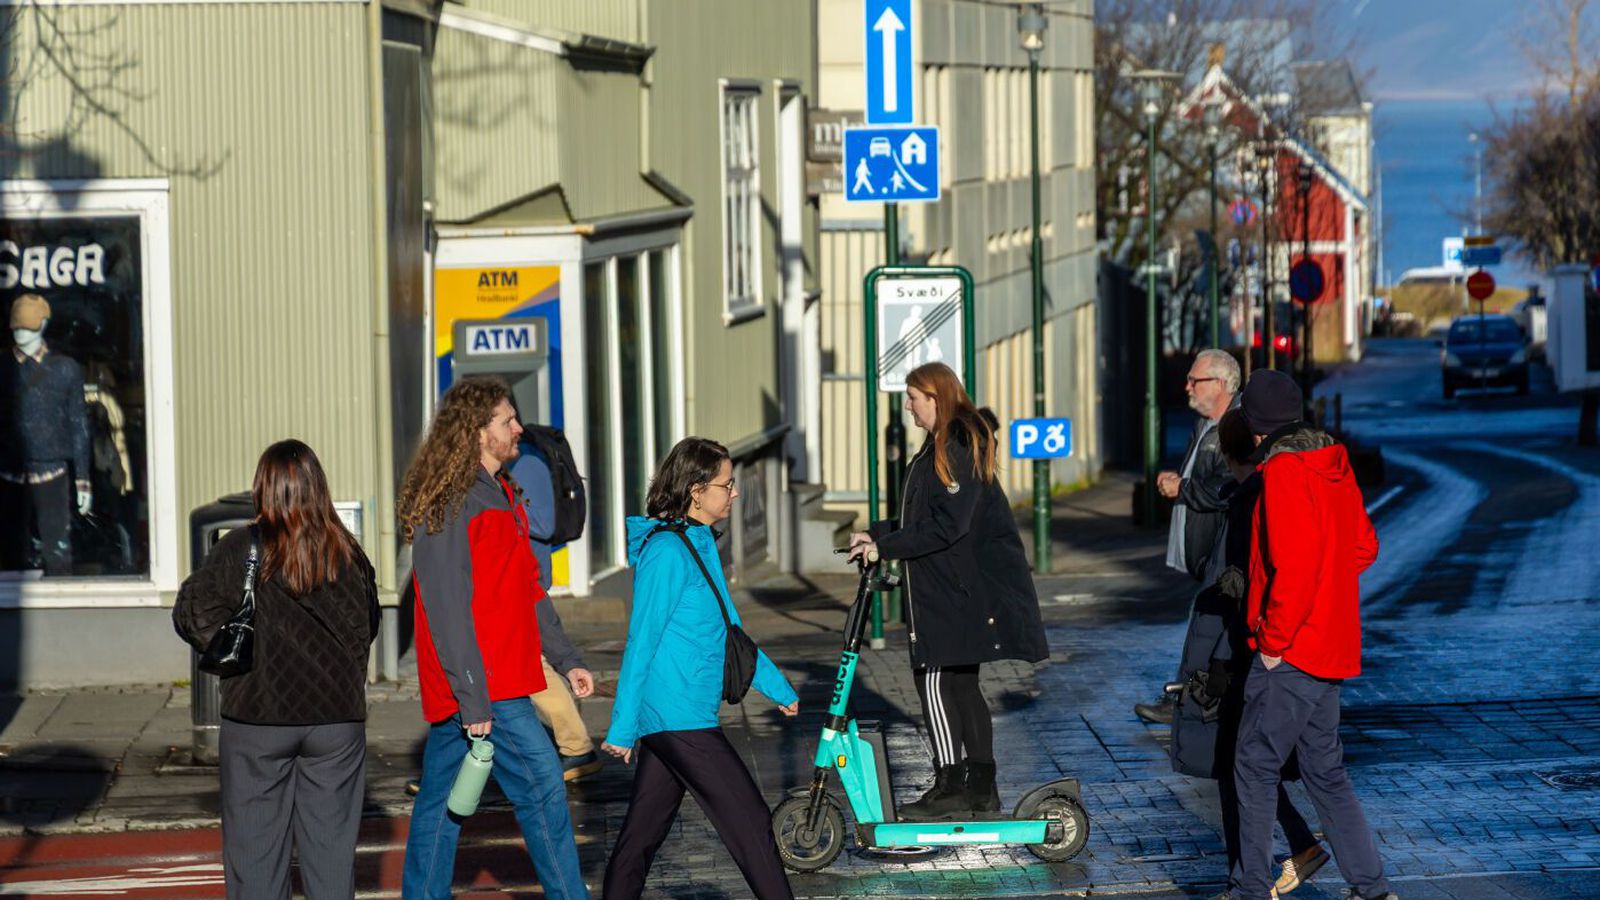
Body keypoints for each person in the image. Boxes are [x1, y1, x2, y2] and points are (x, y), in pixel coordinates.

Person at [398, 376, 592, 900]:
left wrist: (565, 656)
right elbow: (445, 609)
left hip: (495, 681)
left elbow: (527, 588)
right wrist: (472, 694)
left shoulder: (500, 490)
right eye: (507, 420)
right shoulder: (451, 501)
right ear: (476, 431)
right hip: (487, 686)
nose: (518, 428)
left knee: (441, 804)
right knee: (544, 787)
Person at [173, 439, 379, 900]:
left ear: (263, 489)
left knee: (256, 860)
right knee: (331, 859)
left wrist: (232, 647)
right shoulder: (347, 550)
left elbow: (190, 613)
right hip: (336, 720)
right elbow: (369, 622)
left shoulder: (241, 547)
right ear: (317, 488)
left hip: (258, 717)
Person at [847, 362, 1049, 821]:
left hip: (957, 591)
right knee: (960, 684)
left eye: (914, 397)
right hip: (959, 589)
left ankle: (951, 783)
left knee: (935, 680)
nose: (909, 407)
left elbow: (949, 526)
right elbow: (927, 517)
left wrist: (885, 547)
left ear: (936, 398)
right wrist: (876, 536)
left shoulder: (955, 443)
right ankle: (982, 789)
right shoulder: (944, 443)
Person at [600, 437, 799, 900]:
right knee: (753, 829)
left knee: (638, 841)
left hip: (683, 713)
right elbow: (641, 641)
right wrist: (623, 728)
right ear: (695, 490)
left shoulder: (699, 543)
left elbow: (730, 630)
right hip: (678, 716)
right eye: (726, 485)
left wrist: (778, 687)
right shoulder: (667, 553)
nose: (734, 493)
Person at [1223, 370, 1395, 900]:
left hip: (1292, 651)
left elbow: (1294, 569)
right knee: (1325, 772)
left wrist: (1273, 641)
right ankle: (1373, 888)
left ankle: (1253, 889)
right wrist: (1327, 589)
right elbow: (1364, 547)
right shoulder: (1331, 462)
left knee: (1253, 766)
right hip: (1331, 647)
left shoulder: (1283, 473)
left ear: (1253, 425)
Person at [1168, 410, 1326, 895]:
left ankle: (1245, 880)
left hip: (1239, 646)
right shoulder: (1258, 491)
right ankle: (1295, 847)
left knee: (1236, 764)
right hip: (1252, 643)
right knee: (1249, 762)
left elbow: (1237, 581)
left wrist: (1216, 650)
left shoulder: (1250, 499)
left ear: (1231, 454)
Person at [1137, 349, 1242, 725]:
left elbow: (1224, 489)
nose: (1186, 387)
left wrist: (1182, 487)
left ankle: (1188, 699)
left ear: (1221, 384)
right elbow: (1198, 480)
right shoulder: (1204, 425)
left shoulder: (1233, 429)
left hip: (1221, 551)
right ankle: (1205, 697)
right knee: (1214, 630)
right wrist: (1177, 482)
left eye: (1194, 380)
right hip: (1204, 554)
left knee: (1206, 625)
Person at [510, 431, 603, 783]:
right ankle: (576, 747)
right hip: (515, 577)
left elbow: (544, 522)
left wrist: (506, 515)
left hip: (524, 575)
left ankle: (577, 747)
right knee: (526, 663)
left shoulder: (528, 461)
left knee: (529, 663)